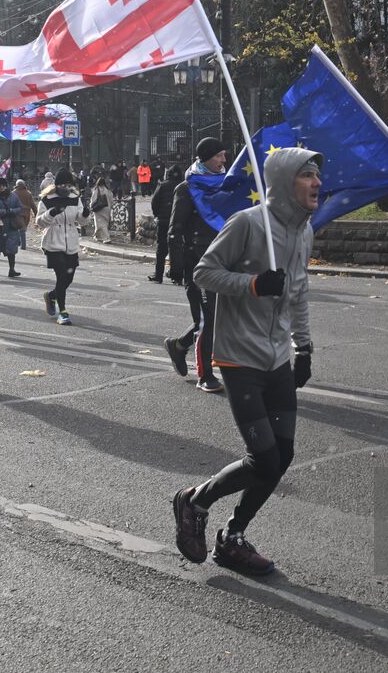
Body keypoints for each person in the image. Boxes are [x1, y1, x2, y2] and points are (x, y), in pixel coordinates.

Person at [171, 147, 322, 576]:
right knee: (264, 458)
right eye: (306, 174)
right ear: (281, 181)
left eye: (317, 176)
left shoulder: (304, 231)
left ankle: (233, 537)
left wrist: (304, 347)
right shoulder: (247, 224)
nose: (317, 183)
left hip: (276, 356)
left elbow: (298, 293)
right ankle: (195, 500)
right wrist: (253, 283)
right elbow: (204, 272)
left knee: (284, 453)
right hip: (238, 357)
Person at [164, 138, 229, 393]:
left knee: (217, 319)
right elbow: (174, 230)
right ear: (205, 158)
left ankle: (179, 345)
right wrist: (178, 265)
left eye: (225, 155)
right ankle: (205, 375)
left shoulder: (226, 184)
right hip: (197, 263)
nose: (224, 160)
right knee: (207, 319)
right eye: (219, 156)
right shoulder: (186, 188)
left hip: (222, 260)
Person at [36, 168, 90, 325]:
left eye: (69, 184)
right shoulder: (47, 199)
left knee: (69, 278)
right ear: (57, 185)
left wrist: (85, 214)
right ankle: (63, 312)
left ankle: (51, 295)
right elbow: (40, 222)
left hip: (71, 242)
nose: (66, 187)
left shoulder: (75, 198)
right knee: (61, 276)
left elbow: (82, 221)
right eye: (63, 184)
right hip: (53, 241)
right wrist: (52, 213)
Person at [147, 165, 182, 283]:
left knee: (161, 249)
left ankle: (158, 275)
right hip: (179, 222)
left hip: (164, 221)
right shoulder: (183, 186)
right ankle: (177, 276)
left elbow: (154, 202)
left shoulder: (162, 185)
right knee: (178, 248)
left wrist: (158, 215)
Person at [0, 176, 24, 277]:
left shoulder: (13, 196)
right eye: (0, 186)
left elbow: (20, 207)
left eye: (3, 186)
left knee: (11, 250)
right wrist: (3, 212)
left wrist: (11, 211)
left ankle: (12, 269)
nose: (2, 188)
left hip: (12, 226)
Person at [87, 174, 113, 243]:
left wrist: (91, 206)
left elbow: (93, 199)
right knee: (103, 223)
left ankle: (107, 238)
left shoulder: (96, 190)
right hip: (107, 208)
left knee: (100, 223)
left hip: (99, 209)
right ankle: (97, 236)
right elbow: (111, 200)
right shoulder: (107, 190)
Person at [13, 179, 36, 250]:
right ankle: (20, 243)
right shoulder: (28, 193)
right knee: (23, 228)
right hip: (27, 213)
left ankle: (22, 245)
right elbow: (33, 205)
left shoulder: (13, 193)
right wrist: (36, 213)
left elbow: (10, 203)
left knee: (19, 228)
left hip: (17, 213)